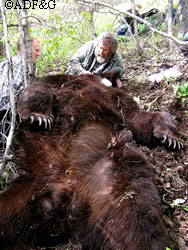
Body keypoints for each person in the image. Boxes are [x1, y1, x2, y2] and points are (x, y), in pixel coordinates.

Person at [0, 36, 40, 145]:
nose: (38, 54)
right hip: (6, 115)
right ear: (26, 49)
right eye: (36, 50)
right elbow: (7, 95)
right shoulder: (21, 64)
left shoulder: (6, 63)